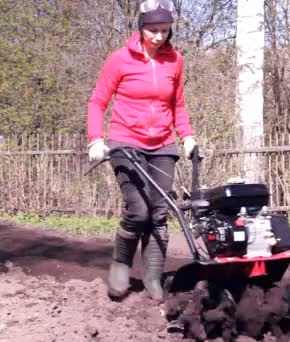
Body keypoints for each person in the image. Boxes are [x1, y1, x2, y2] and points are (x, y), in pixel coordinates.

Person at [86, 0, 197, 301]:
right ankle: (120, 267)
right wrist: (96, 139)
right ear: (141, 27)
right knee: (138, 211)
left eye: (164, 30)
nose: (159, 36)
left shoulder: (175, 61)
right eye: (153, 30)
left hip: (163, 144)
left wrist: (186, 136)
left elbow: (178, 104)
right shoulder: (119, 60)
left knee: (159, 213)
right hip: (126, 141)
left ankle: (153, 277)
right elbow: (97, 101)